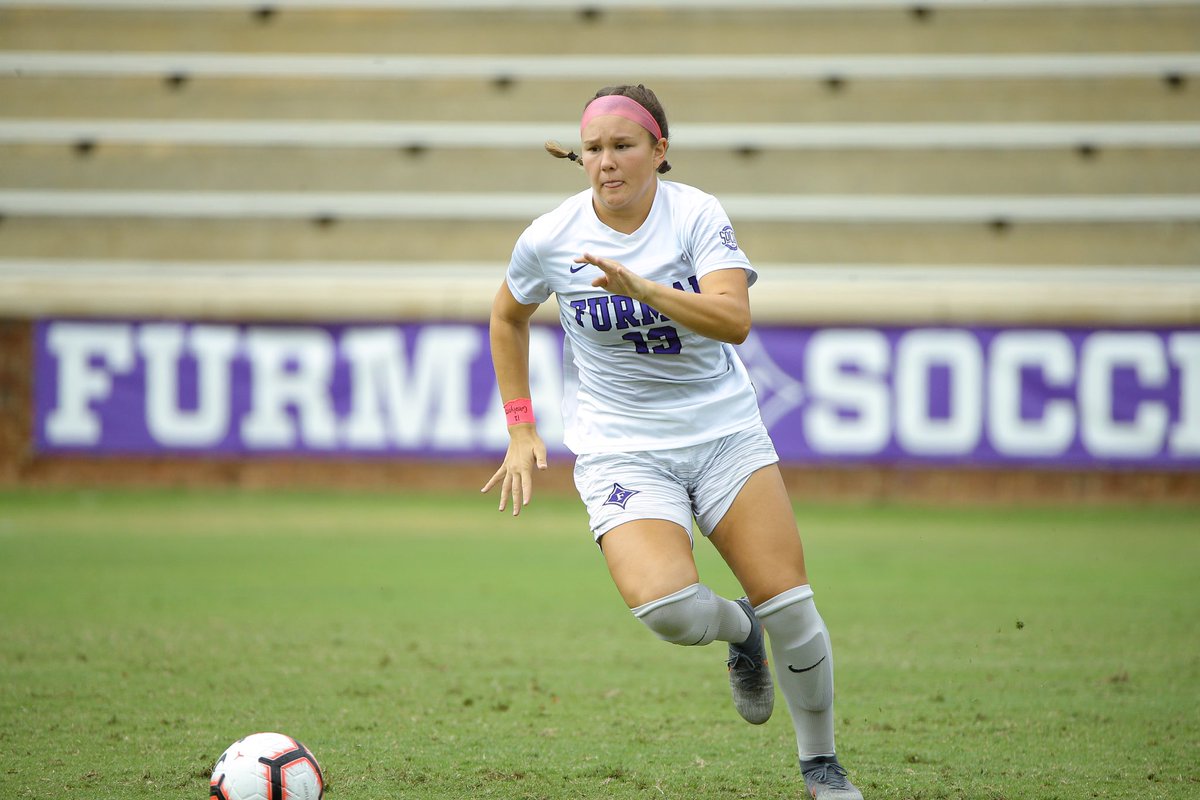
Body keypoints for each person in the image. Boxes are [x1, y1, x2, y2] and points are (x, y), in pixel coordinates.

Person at [481, 84, 864, 800]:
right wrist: (521, 423)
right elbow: (507, 317)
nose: (607, 162)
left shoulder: (696, 214)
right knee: (668, 610)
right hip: (621, 447)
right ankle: (739, 632)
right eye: (593, 148)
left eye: (623, 146)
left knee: (793, 604)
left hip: (722, 433)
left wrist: (646, 289)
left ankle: (821, 766)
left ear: (659, 150)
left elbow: (733, 318)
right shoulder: (550, 237)